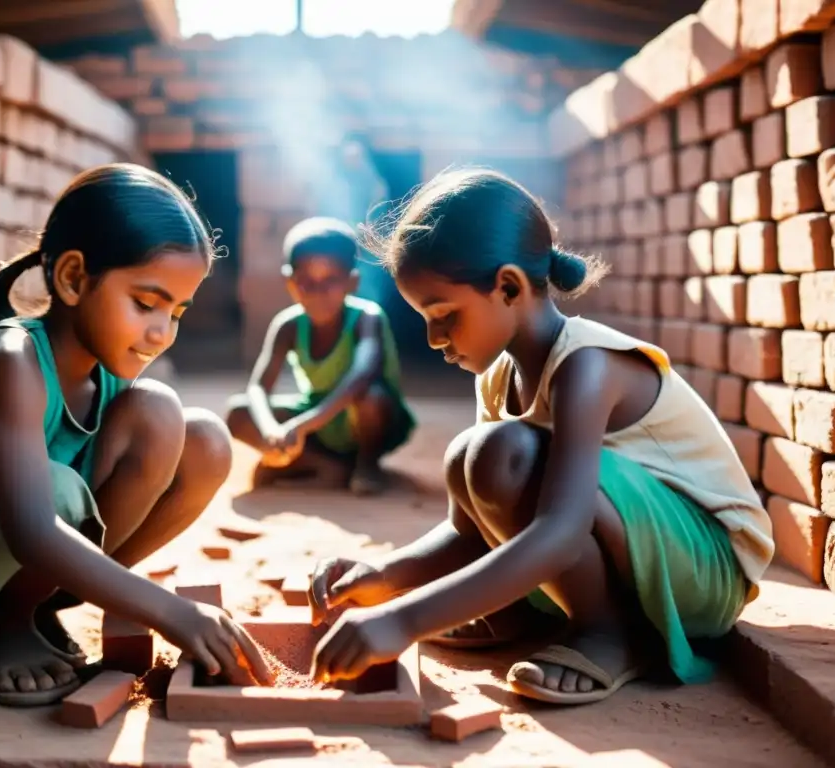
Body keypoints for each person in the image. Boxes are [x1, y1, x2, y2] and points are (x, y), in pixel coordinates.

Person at [306, 168, 774, 705]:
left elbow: (561, 528)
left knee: (499, 454)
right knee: (475, 457)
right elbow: (471, 530)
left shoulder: (587, 366)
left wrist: (403, 619)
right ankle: (513, 613)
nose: (434, 339)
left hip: (706, 571)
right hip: (640, 550)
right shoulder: (499, 375)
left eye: (443, 315)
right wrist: (385, 574)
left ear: (507, 287)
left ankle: (607, 634)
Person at [0, 163, 274, 707]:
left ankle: (32, 607)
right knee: (54, 491)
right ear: (73, 278)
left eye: (177, 311)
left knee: (200, 437)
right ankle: (4, 626)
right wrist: (172, 612)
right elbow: (31, 526)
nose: (160, 332)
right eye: (146, 303)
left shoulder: (111, 371)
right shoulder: (10, 360)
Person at [226, 216, 416, 495]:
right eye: (306, 282)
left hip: (367, 422)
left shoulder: (367, 318)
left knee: (371, 398)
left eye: (330, 281)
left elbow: (362, 375)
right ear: (289, 282)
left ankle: (366, 464)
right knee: (239, 412)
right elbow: (258, 387)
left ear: (352, 282)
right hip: (317, 423)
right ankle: (325, 464)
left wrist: (304, 424)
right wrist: (270, 431)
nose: (318, 293)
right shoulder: (288, 325)